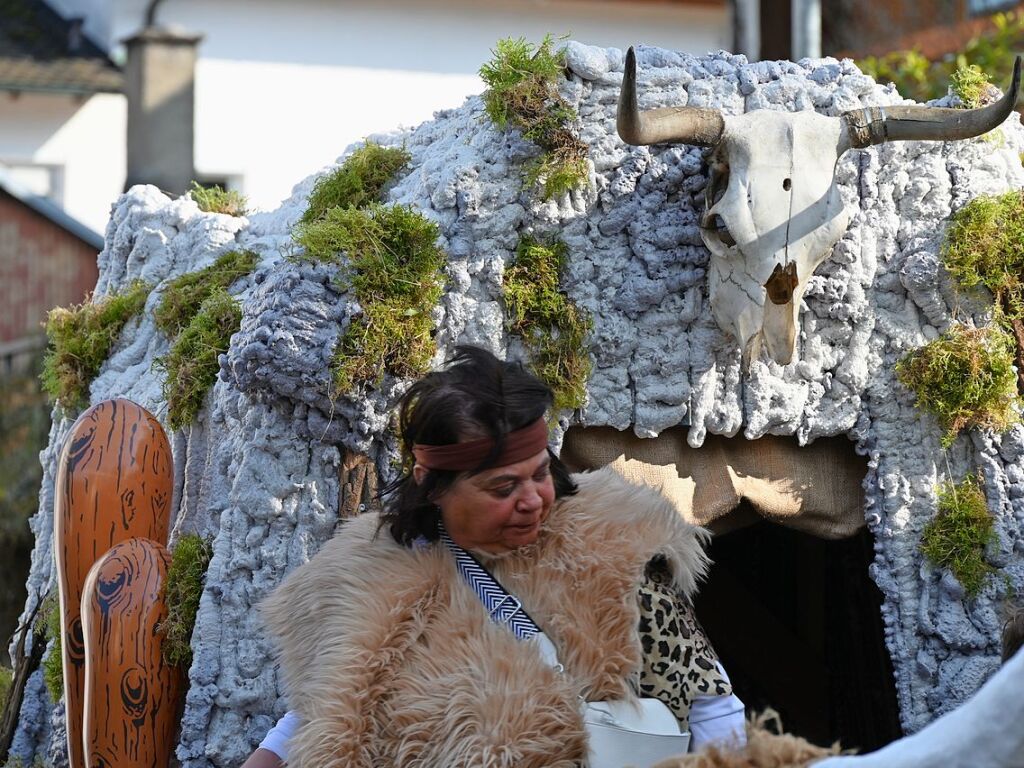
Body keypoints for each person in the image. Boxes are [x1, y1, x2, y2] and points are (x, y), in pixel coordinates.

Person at [246, 346, 745, 767]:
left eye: (539, 473)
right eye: (503, 486)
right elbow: (327, 707)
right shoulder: (365, 571)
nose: (532, 499)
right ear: (432, 484)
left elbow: (709, 703)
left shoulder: (612, 544)